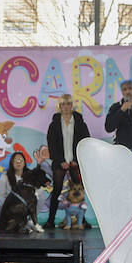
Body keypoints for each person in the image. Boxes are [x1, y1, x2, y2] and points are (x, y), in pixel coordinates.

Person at [44, 94, 91, 231]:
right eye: (63, 104)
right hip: (60, 162)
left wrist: (77, 160)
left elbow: (85, 142)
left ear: (72, 105)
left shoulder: (80, 123)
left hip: (75, 162)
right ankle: (50, 220)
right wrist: (60, 161)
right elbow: (51, 145)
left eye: (68, 104)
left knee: (79, 190)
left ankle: (82, 220)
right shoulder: (54, 124)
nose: (66, 107)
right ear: (60, 106)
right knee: (57, 190)